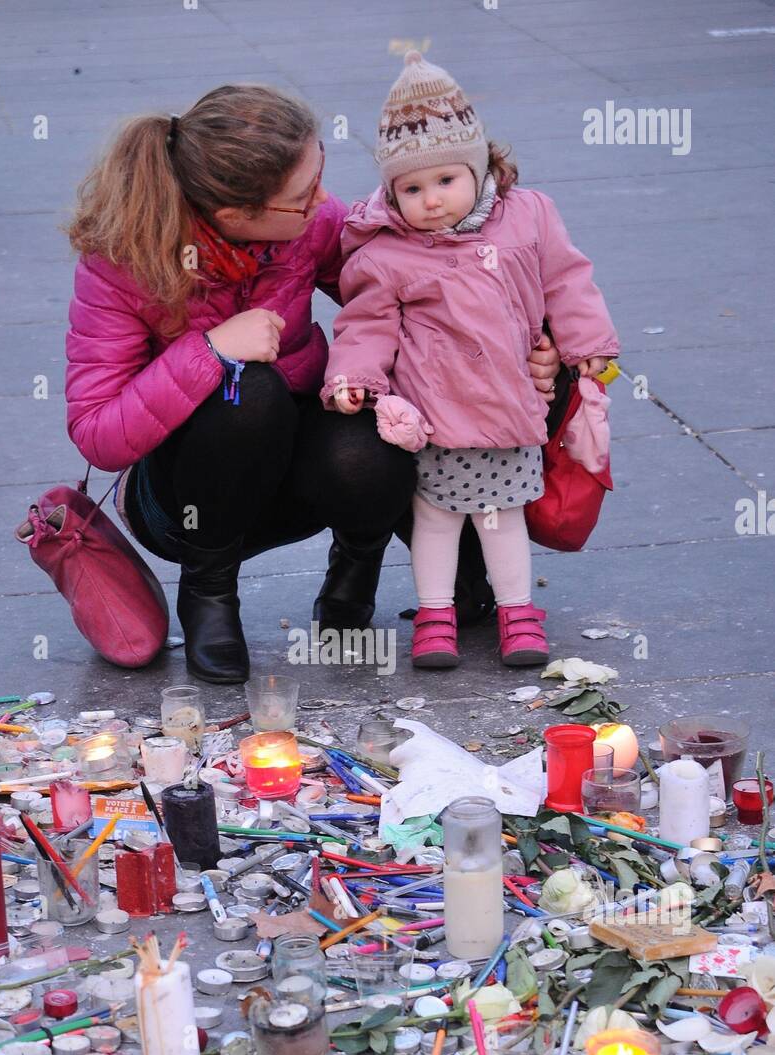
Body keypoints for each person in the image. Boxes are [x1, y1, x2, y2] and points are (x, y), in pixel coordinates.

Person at [64, 83, 561, 684]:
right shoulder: (121, 263)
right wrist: (211, 350)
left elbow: (413, 297)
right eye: (302, 196)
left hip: (304, 467)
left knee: (377, 432)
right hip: (190, 496)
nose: (325, 201)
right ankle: (209, 593)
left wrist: (534, 352)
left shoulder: (312, 225)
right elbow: (96, 434)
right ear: (233, 216)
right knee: (248, 389)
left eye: (320, 173)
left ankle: (356, 570)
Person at [323, 51, 619, 670]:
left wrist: (585, 345)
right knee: (434, 519)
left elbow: (567, 280)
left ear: (481, 166)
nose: (430, 200)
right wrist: (354, 377)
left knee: (502, 517)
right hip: (435, 412)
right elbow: (366, 322)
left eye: (445, 180)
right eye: (411, 188)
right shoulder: (388, 254)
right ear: (390, 190)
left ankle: (517, 611)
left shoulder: (528, 216)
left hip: (509, 404)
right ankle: (436, 614)